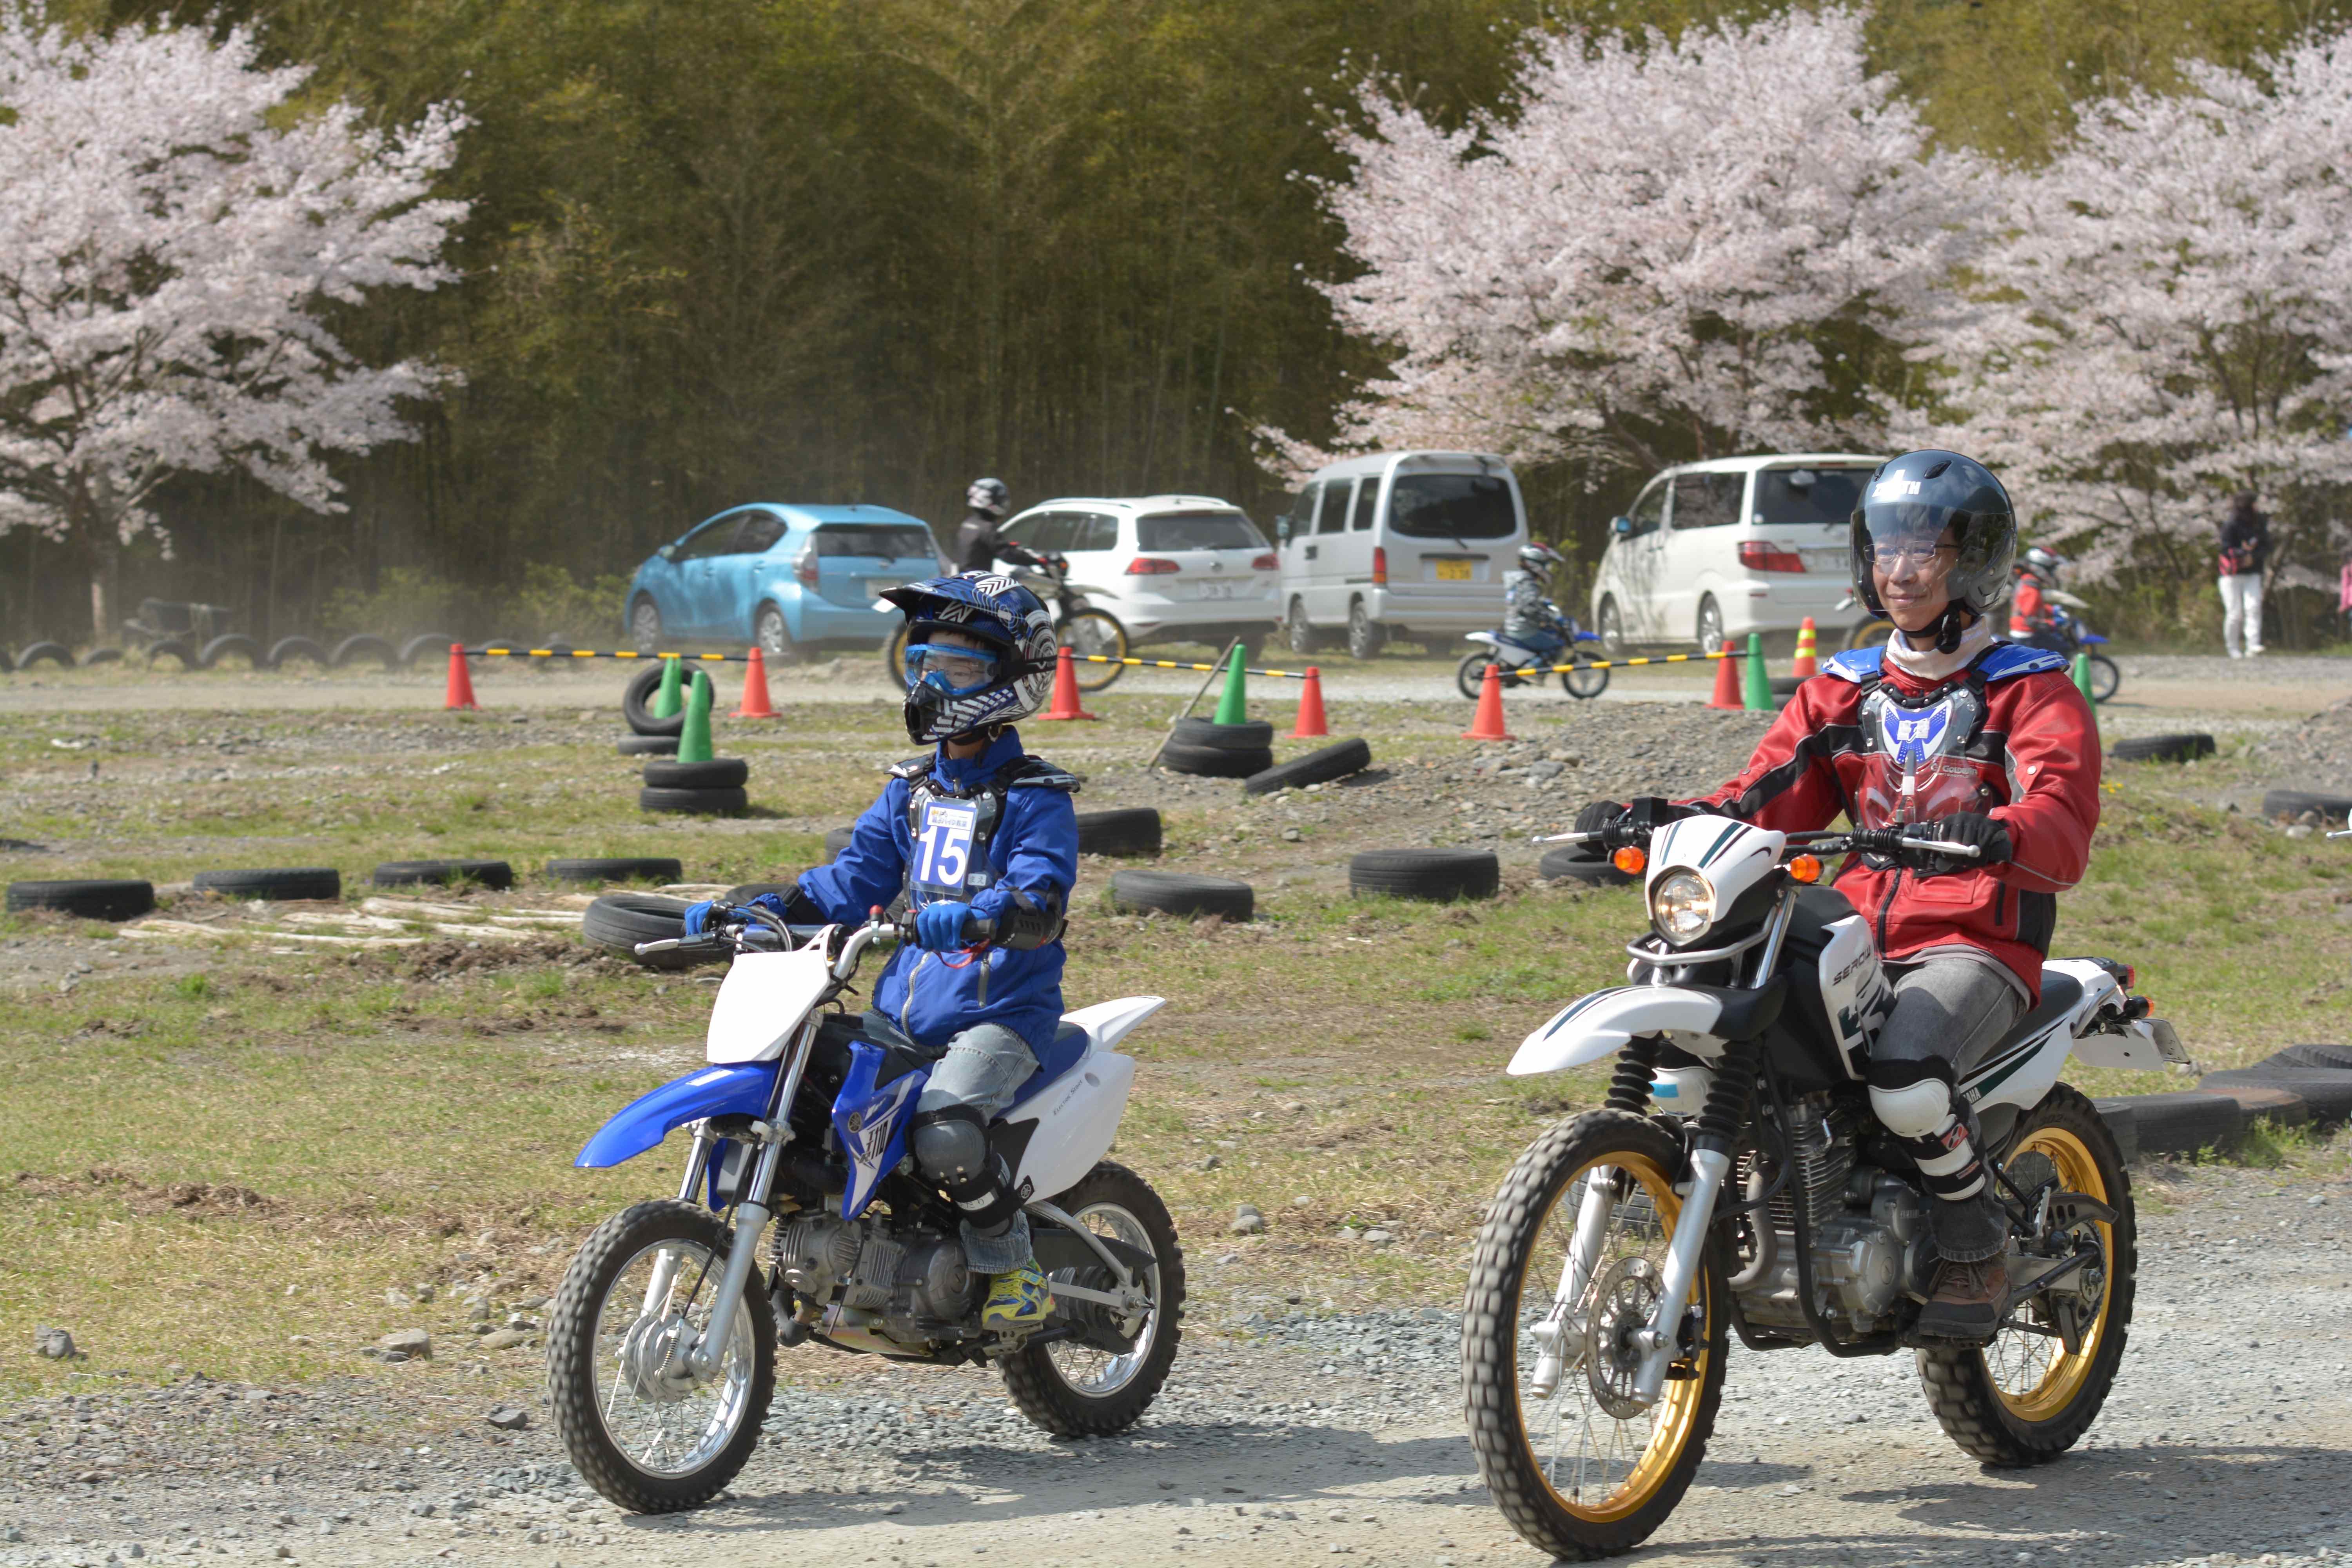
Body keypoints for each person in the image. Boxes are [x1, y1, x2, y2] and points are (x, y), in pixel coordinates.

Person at [1570, 450, 2100, 1343]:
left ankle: (1975, 1246)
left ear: (1971, 563)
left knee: (1904, 1076)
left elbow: (2062, 811)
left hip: (1975, 942)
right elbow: (1759, 799)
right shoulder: (1840, 690)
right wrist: (1654, 817)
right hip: (1856, 931)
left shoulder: (2029, 688)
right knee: (1748, 1035)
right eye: (1888, 547)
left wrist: (2004, 831)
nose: (1903, 569)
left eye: (1927, 549)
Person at [687, 570, 1078, 1333]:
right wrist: (765, 907)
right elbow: (851, 879)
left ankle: (1015, 1266)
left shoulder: (1037, 795)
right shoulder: (911, 790)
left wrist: (979, 916)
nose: (934, 684)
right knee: (801, 1097)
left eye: (958, 670)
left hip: (1000, 1014)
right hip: (905, 1008)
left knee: (944, 1130)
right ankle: (820, 1258)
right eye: (926, 664)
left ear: (1009, 680)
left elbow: (1041, 897)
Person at [953, 478, 1044, 576]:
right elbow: (1007, 554)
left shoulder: (968, 524)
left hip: (963, 581)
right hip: (977, 584)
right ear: (985, 499)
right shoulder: (987, 528)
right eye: (999, 500)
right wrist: (1038, 560)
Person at [2218, 490, 2269, 658]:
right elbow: (2225, 548)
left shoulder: (2260, 523)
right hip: (2231, 575)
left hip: (2253, 573)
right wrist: (2241, 555)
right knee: (2235, 613)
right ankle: (2232, 647)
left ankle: (2253, 645)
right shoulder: (2231, 524)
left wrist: (2253, 557)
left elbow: (2267, 545)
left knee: (2253, 607)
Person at [1502, 543, 1572, 657]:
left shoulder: (1518, 580)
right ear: (1535, 563)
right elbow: (1529, 608)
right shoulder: (1528, 584)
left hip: (1513, 625)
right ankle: (1532, 670)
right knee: (1556, 646)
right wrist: (1549, 619)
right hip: (1524, 629)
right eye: (1547, 564)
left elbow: (1526, 602)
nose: (1548, 568)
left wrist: (1542, 604)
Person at [2008, 545, 2064, 645]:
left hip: (2023, 633)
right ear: (2040, 568)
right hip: (2026, 636)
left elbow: (2032, 609)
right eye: (2050, 570)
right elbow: (2030, 620)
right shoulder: (2031, 588)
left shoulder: (2027, 581)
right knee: (2063, 649)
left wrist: (2052, 610)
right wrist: (2053, 624)